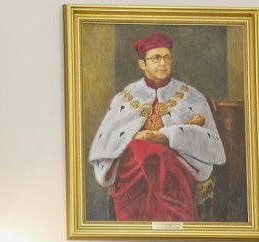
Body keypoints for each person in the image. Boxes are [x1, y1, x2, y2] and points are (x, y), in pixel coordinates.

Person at [87, 31, 226, 222]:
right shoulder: (124, 97)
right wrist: (139, 141)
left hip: (177, 163)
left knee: (152, 154)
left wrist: (168, 137)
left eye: (167, 58)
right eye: (156, 58)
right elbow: (108, 140)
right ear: (142, 64)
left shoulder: (191, 96)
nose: (163, 63)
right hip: (132, 165)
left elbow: (211, 143)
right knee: (140, 149)